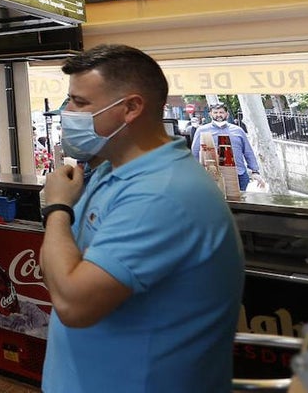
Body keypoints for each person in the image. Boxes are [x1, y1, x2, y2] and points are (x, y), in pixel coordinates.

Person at [39, 44, 243, 392]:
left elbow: (73, 302)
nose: (66, 112)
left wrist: (56, 208)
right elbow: (53, 272)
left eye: (80, 102)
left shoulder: (162, 193)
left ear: (131, 108)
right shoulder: (109, 173)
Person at [191, 103, 264, 191]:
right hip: (213, 176)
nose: (218, 115)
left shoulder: (238, 130)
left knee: (241, 202)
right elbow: (195, 153)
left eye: (221, 112)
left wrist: (255, 171)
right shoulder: (202, 130)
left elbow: (248, 152)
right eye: (215, 112)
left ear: (227, 114)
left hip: (239, 174)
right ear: (210, 114)